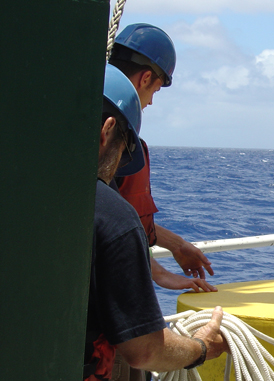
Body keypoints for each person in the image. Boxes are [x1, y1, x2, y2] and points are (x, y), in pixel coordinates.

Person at [84, 65, 229, 381]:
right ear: (107, 130)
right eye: (124, 151)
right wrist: (201, 347)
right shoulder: (114, 216)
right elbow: (146, 351)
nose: (118, 170)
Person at [108, 23, 217, 293]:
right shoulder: (115, 143)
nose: (151, 102)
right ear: (145, 79)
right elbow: (105, 226)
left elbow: (116, 212)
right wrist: (159, 273)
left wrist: (175, 244)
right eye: (155, 90)